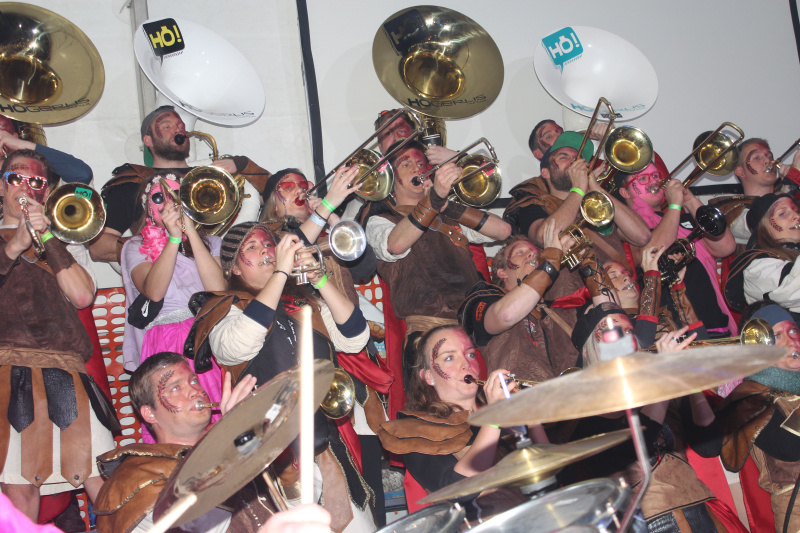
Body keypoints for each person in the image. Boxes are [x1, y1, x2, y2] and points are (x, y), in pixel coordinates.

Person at [184, 222, 376, 533]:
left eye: (268, 244)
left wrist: (320, 279)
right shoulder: (224, 308)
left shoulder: (303, 302)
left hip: (326, 443)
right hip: (274, 457)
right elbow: (237, 346)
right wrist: (281, 273)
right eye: (251, 247)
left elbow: (355, 337)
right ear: (234, 268)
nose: (265, 250)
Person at [93, 351, 332, 533]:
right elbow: (202, 524)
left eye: (194, 381)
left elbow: (305, 499)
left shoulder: (241, 441)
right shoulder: (136, 475)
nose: (194, 391)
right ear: (149, 414)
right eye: (175, 388)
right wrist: (230, 436)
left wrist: (270, 437)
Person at [0, 149, 116, 521]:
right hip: (9, 373)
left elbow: (82, 296)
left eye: (36, 181)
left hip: (67, 372)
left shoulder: (65, 242)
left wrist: (47, 236)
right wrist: (13, 246)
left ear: (47, 192)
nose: (24, 187)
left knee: (103, 485)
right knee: (21, 491)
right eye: (15, 178)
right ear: (1, 187)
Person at [360, 140, 511, 387]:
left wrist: (445, 203)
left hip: (473, 333)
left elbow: (503, 230)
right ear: (391, 179)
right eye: (406, 164)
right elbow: (395, 245)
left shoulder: (446, 213)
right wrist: (433, 200)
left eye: (421, 163)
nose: (417, 168)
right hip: (427, 336)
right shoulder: (380, 220)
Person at [90, 105, 271, 263]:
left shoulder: (212, 176)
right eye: (166, 126)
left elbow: (274, 198)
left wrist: (242, 164)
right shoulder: (133, 181)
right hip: (166, 278)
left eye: (181, 126)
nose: (178, 129)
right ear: (148, 141)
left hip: (222, 270)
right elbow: (98, 248)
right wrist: (157, 243)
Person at [120, 174, 226, 440]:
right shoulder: (135, 246)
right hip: (166, 338)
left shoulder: (212, 242)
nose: (169, 203)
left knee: (218, 416)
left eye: (177, 196)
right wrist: (174, 240)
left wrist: (191, 232)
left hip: (207, 333)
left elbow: (218, 290)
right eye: (159, 197)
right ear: (147, 208)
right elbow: (153, 291)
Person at [376, 325, 518, 517]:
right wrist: (494, 418)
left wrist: (534, 415)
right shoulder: (414, 430)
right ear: (428, 376)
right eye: (449, 357)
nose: (466, 364)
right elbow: (458, 489)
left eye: (470, 354)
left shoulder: (505, 415)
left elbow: (550, 469)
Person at [613, 162, 737, 336]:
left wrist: (689, 200)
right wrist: (675, 206)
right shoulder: (632, 230)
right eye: (642, 179)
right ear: (625, 192)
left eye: (655, 176)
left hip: (713, 318)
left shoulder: (683, 217)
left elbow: (726, 247)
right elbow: (655, 251)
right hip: (678, 327)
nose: (653, 181)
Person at [712, 304, 800, 533]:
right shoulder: (748, 396)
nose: (792, 341)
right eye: (777, 335)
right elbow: (790, 448)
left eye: (793, 330)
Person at [459, 220, 576, 381]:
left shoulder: (557, 310)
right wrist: (549, 264)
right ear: (502, 272)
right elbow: (506, 315)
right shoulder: (484, 298)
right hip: (522, 395)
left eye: (536, 253)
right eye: (520, 252)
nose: (532, 255)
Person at [709, 138, 800, 246]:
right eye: (757, 158)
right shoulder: (728, 208)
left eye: (770, 156)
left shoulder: (793, 197)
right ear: (740, 171)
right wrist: (793, 177)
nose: (768, 161)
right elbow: (762, 221)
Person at [725, 193, 800, 314]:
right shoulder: (757, 266)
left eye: (797, 211)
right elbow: (792, 290)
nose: (796, 216)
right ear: (763, 227)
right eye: (783, 213)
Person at [0, 115, 92, 185]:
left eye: (2, 127)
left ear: (13, 137)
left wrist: (24, 145)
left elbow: (82, 175)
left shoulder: (38, 181)